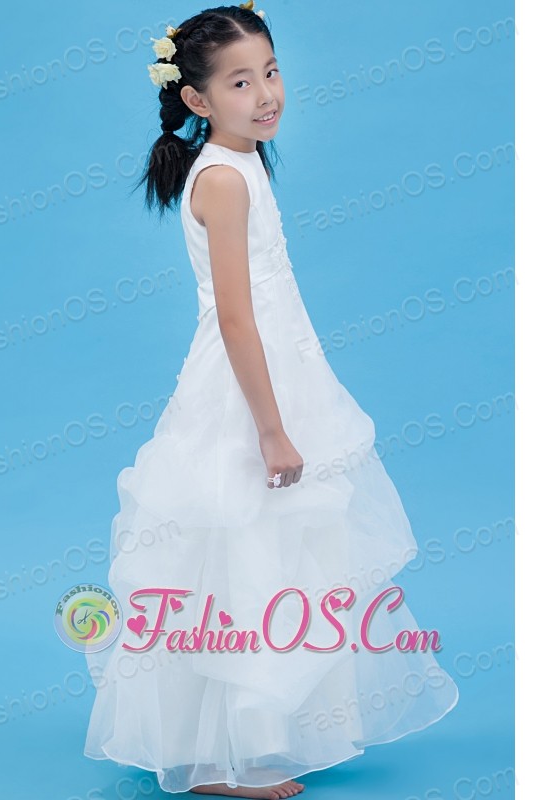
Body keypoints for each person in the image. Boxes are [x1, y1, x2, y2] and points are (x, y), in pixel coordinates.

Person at [83, 4, 459, 798]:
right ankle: (228, 756)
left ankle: (254, 735)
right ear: (197, 99)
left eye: (271, 72)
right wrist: (272, 430)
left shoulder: (244, 162)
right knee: (243, 547)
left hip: (279, 373)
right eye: (240, 83)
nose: (265, 95)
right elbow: (235, 316)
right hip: (243, 391)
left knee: (278, 548)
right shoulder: (222, 178)